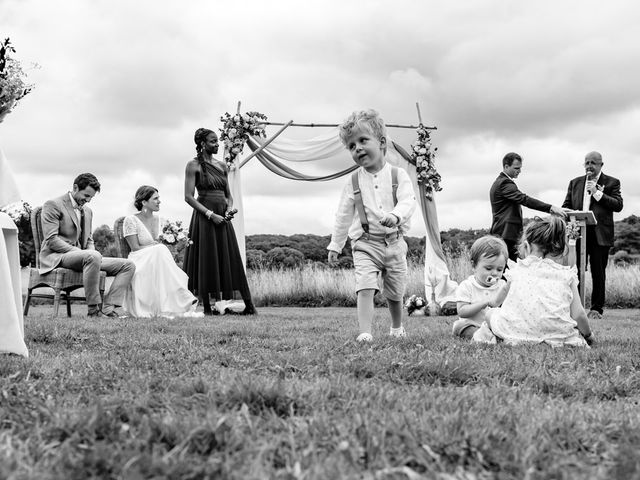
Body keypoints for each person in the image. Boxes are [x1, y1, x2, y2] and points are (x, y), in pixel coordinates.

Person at [327, 109, 417, 342]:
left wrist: (396, 216)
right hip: (365, 244)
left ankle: (397, 328)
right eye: (351, 145)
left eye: (363, 140)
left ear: (382, 142)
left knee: (395, 291)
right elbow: (343, 215)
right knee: (365, 285)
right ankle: (365, 332)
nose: (357, 148)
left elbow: (408, 201)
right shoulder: (353, 181)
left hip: (394, 243)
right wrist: (336, 244)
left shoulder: (399, 176)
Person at [480, 216, 595, 347]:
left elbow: (500, 298)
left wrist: (493, 303)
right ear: (559, 248)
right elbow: (578, 314)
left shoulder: (517, 270)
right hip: (558, 335)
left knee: (491, 314)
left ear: (527, 246)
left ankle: (499, 336)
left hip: (517, 333)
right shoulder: (566, 275)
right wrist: (588, 335)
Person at [182, 128, 256, 316]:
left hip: (223, 218)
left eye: (217, 141)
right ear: (202, 144)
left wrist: (229, 209)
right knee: (206, 258)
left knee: (231, 257)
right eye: (213, 141)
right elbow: (189, 197)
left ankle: (249, 306)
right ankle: (207, 307)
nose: (217, 145)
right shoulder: (193, 165)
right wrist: (209, 214)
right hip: (205, 217)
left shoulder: (222, 165)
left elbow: (228, 196)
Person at [40, 173, 135, 317]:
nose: (88, 200)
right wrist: (81, 252)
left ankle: (108, 308)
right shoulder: (53, 205)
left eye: (91, 197)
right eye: (86, 195)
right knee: (92, 255)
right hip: (58, 257)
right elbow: (51, 239)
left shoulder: (88, 211)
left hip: (88, 258)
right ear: (75, 187)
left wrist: (93, 253)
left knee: (128, 265)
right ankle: (93, 310)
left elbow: (89, 240)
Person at [122, 186, 201, 318]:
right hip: (139, 258)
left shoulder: (162, 220)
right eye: (156, 198)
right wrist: (156, 248)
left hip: (159, 260)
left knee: (160, 250)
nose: (159, 201)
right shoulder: (130, 220)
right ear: (144, 202)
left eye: (159, 198)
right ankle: (183, 297)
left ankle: (176, 303)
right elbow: (135, 247)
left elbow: (167, 247)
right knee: (159, 249)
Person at [562, 151, 623, 319]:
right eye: (586, 162)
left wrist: (597, 192)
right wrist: (568, 213)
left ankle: (596, 309)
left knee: (598, 273)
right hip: (578, 233)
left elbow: (618, 205)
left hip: (600, 234)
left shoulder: (612, 182)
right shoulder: (575, 183)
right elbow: (566, 205)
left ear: (601, 165)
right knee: (575, 271)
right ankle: (576, 306)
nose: (589, 166)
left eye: (593, 163)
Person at [490, 152, 565, 261]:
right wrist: (550, 208)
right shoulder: (504, 183)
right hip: (506, 233)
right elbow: (524, 199)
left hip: (503, 232)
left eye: (520, 168)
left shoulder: (501, 182)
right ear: (506, 166)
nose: (519, 171)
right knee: (508, 268)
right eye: (516, 168)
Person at [452, 235, 510, 340]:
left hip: (494, 326)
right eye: (488, 268)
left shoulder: (502, 286)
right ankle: (480, 336)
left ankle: (492, 336)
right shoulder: (467, 286)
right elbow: (462, 311)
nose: (494, 273)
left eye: (499, 269)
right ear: (474, 266)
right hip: (473, 325)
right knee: (459, 326)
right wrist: (485, 303)